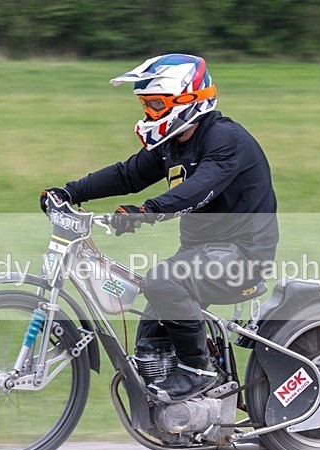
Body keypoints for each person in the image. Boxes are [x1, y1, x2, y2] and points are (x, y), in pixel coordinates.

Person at [40, 53, 278, 401]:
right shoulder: (173, 144)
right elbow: (127, 174)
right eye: (146, 105)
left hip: (243, 256)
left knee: (163, 280)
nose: (148, 113)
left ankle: (199, 371)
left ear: (187, 100)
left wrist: (147, 211)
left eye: (156, 103)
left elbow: (198, 188)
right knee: (150, 331)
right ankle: (181, 413)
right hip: (201, 254)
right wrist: (70, 192)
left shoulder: (226, 139)